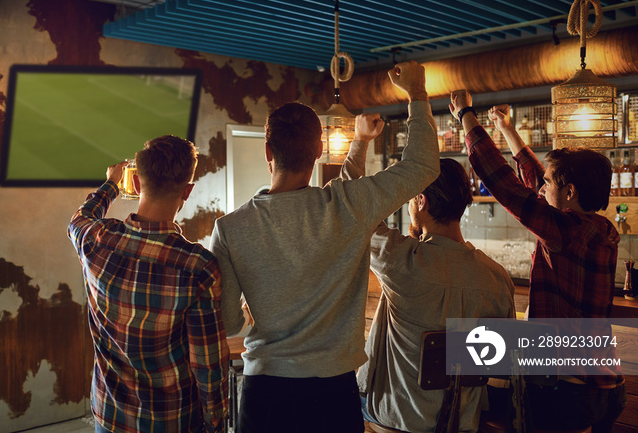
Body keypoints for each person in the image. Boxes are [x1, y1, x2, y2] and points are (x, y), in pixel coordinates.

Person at [209, 61, 440, 433]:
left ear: (268, 151)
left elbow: (231, 323)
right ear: (318, 150)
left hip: (265, 390)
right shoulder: (347, 206)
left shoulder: (229, 228)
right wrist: (416, 93)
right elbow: (423, 165)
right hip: (333, 393)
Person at [451, 92, 626, 431]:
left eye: (550, 183)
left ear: (570, 192)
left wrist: (466, 116)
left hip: (567, 393)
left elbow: (503, 183)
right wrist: (507, 129)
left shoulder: (565, 230)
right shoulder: (599, 229)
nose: (543, 188)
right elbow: (536, 180)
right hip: (605, 387)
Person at [341, 151, 515, 432]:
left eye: (412, 198)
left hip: (396, 422)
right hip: (462, 424)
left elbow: (351, 208)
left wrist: (360, 142)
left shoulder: (401, 261)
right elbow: (501, 363)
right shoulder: (498, 278)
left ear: (421, 201)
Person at [68, 135, 229, 433]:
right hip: (172, 421)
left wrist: (111, 184)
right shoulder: (197, 266)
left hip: (110, 415)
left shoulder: (96, 239)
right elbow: (208, 364)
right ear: (188, 191)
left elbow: (80, 218)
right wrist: (215, 423)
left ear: (138, 184)